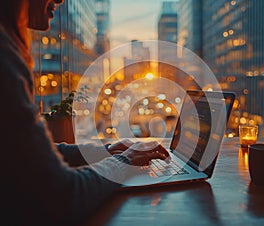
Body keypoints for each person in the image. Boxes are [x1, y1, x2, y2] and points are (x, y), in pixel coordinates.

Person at [0, 0, 170, 225]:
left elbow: (27, 154)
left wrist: (106, 151)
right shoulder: (5, 59)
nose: (61, 0)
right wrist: (123, 161)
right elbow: (65, 196)